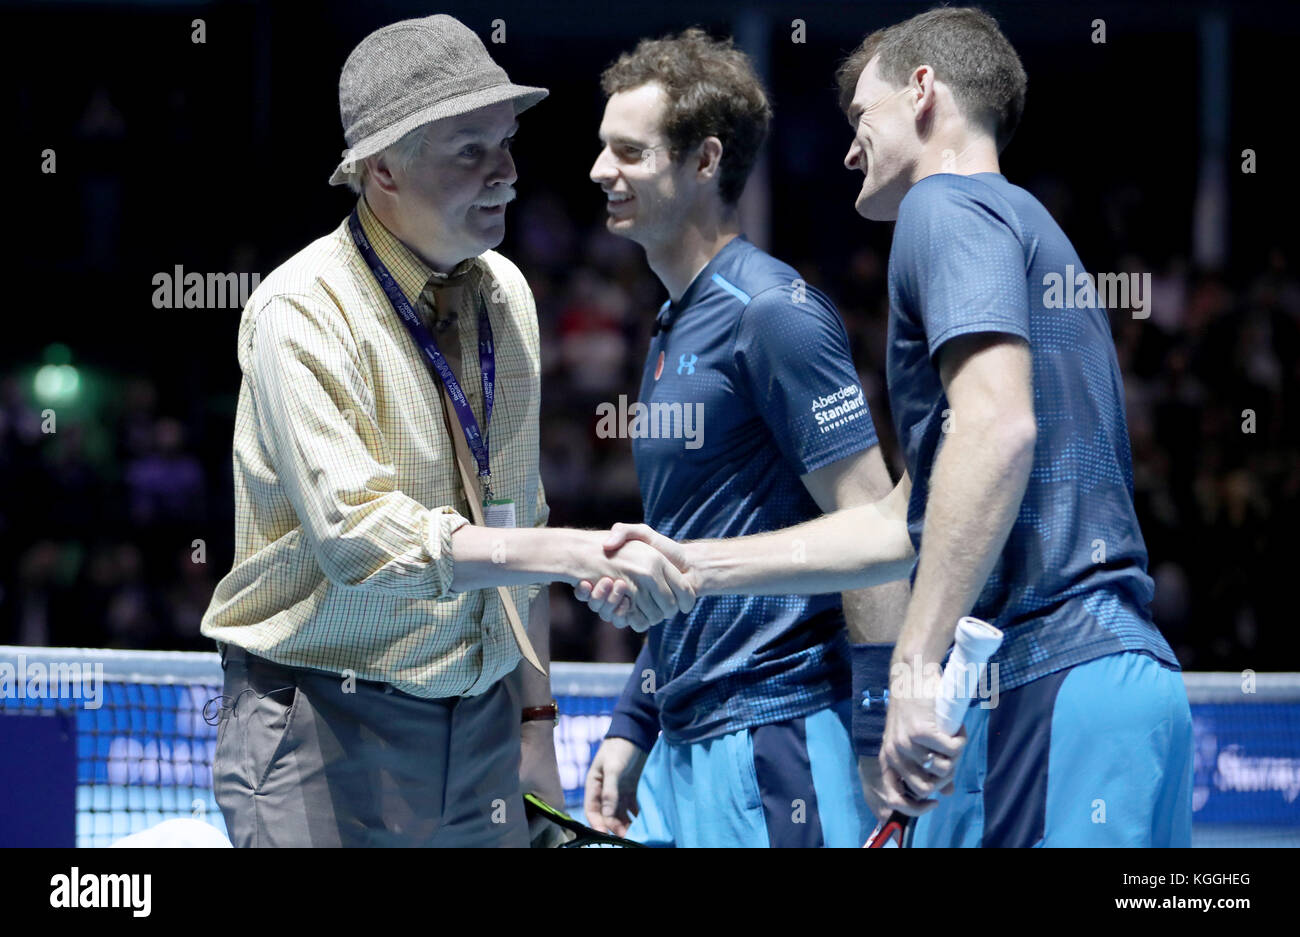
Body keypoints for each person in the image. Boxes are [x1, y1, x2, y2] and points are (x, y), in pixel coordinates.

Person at [580, 7, 1192, 848]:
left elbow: (998, 429)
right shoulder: (1019, 224)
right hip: (1104, 683)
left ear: (924, 92)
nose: (848, 150)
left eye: (862, 119)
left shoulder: (944, 207)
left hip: (1050, 671)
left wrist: (910, 667)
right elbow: (898, 520)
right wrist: (689, 566)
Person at [200, 14, 692, 848]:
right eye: (471, 150)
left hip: (486, 734)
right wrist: (575, 554)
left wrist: (536, 723)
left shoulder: (506, 293)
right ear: (381, 168)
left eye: (505, 142)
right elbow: (358, 540)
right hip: (323, 729)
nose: (507, 173)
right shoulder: (301, 311)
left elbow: (515, 520)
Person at [580, 29, 909, 848]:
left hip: (779, 739)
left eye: (628, 151)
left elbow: (874, 526)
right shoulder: (668, 327)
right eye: (601, 148)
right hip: (684, 746)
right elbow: (691, 542)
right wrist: (635, 719)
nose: (598, 171)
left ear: (704, 162)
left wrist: (875, 730)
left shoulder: (773, 313)